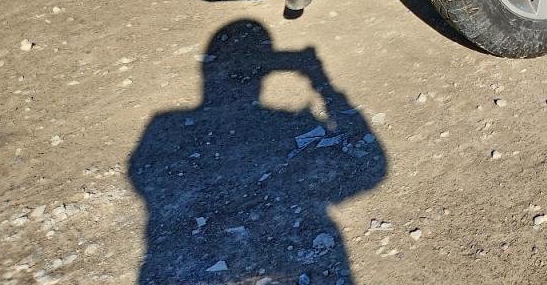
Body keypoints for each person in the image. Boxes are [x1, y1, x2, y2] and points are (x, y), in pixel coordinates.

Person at [129, 20, 386, 284]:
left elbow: (144, 177)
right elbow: (372, 168)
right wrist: (321, 81)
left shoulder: (166, 126)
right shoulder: (292, 124)